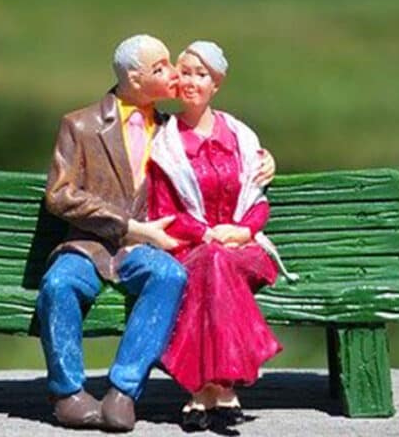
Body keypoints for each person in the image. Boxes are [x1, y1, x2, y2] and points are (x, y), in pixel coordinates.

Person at [37, 35, 275, 432]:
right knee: (59, 284)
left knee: (170, 276)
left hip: (146, 251)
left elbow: (222, 151)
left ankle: (124, 390)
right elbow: (59, 195)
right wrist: (129, 227)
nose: (175, 76)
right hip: (90, 244)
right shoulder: (80, 125)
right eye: (162, 68)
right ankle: (68, 394)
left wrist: (266, 161)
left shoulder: (171, 129)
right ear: (135, 78)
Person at [147, 41, 289, 431]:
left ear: (216, 84)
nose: (192, 82)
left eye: (201, 74)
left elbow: (258, 199)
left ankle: (199, 391)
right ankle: (221, 388)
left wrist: (243, 230)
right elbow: (163, 212)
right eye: (185, 73)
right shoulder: (165, 144)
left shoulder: (240, 136)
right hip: (192, 249)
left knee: (216, 264)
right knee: (211, 263)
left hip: (245, 250)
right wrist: (206, 233)